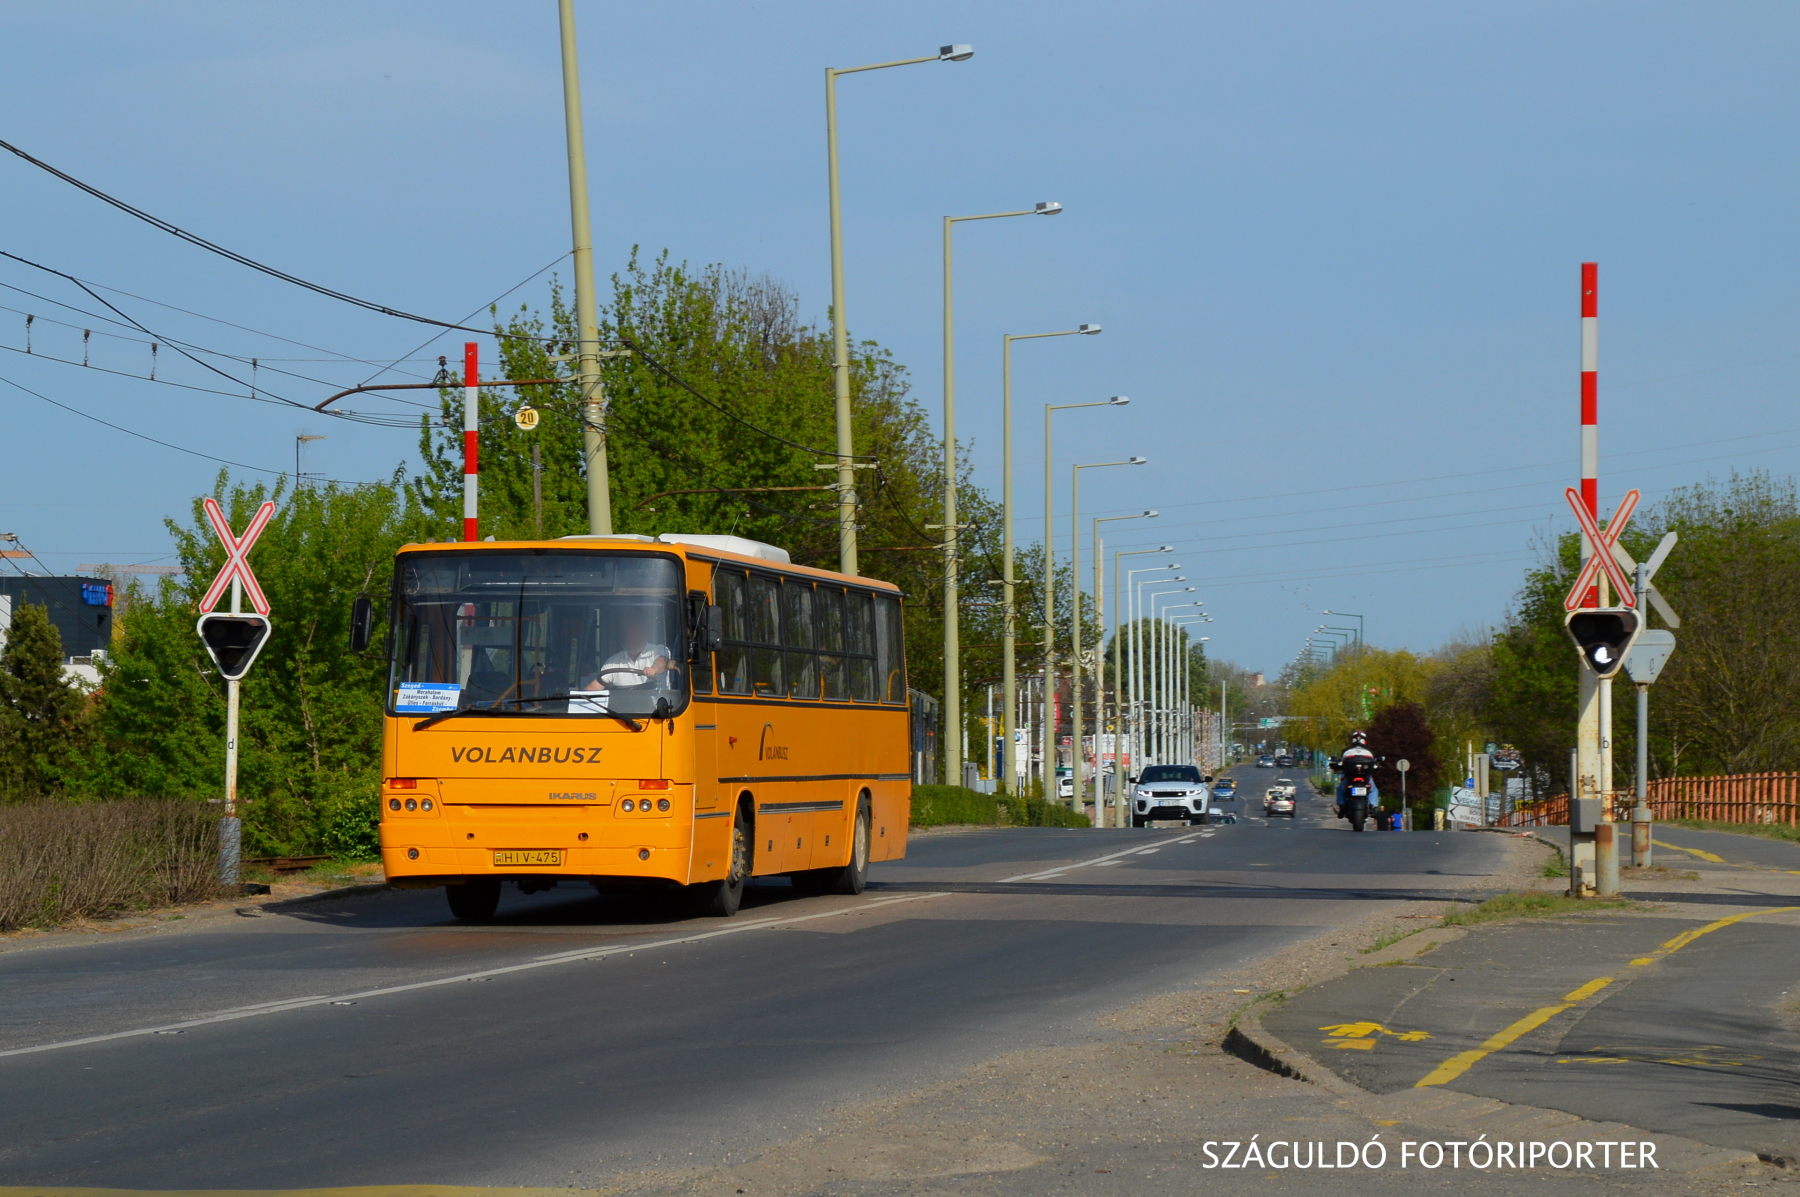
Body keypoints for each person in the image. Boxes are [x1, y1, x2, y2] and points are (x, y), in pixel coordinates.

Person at [570, 611, 674, 712]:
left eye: (634, 630)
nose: (630, 635)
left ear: (644, 631)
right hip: (622, 718)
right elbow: (595, 686)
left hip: (656, 715)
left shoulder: (657, 650)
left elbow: (663, 662)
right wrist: (578, 700)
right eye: (625, 631)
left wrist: (654, 669)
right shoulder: (613, 661)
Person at [1335, 729, 1379, 819]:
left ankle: (1342, 807)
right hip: (1366, 779)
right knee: (1374, 790)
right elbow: (1375, 765)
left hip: (1349, 779)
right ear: (1364, 740)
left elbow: (1340, 764)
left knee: (1340, 790)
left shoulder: (1346, 751)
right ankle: (1372, 806)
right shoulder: (1369, 752)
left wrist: (1336, 765)